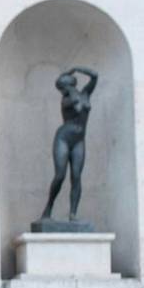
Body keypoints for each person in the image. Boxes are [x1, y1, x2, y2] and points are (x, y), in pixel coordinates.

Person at [40, 66, 98, 221]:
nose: (61, 91)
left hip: (79, 140)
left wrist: (76, 68)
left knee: (77, 176)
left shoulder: (85, 93)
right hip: (63, 138)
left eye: (62, 87)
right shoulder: (67, 99)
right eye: (61, 88)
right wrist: (69, 89)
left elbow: (95, 75)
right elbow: (77, 105)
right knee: (60, 176)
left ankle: (73, 214)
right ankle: (48, 209)